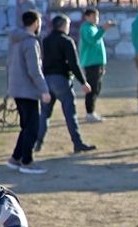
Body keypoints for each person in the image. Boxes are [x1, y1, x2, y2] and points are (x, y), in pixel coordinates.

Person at [37, 15, 96, 154]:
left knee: (44, 114)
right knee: (70, 114)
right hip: (61, 79)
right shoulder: (67, 41)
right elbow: (74, 64)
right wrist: (83, 82)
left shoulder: (45, 40)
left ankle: (37, 142)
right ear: (63, 26)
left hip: (46, 79)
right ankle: (77, 143)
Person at [6, 11, 51, 174]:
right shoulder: (30, 43)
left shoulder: (15, 40)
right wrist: (44, 90)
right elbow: (35, 70)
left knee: (25, 127)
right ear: (36, 22)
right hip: (28, 91)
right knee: (32, 128)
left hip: (17, 89)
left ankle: (16, 158)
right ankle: (27, 161)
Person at [78, 8, 114, 123]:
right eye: (93, 16)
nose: (96, 19)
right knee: (92, 89)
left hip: (98, 63)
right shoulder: (86, 28)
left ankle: (91, 111)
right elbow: (92, 40)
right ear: (87, 17)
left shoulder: (93, 28)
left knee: (97, 88)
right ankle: (89, 113)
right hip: (91, 63)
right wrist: (103, 29)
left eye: (97, 16)